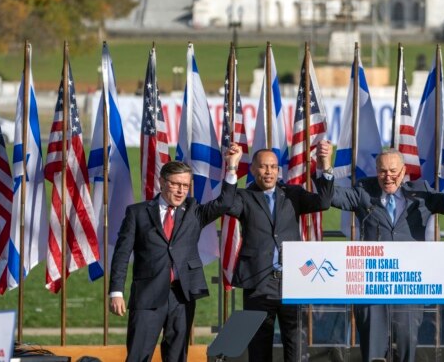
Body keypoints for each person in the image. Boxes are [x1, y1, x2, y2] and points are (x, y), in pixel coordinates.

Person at [109, 143, 242, 362]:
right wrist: (116, 292)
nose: (181, 190)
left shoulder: (194, 211)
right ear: (162, 182)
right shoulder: (138, 213)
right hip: (147, 296)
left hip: (182, 296)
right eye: (176, 184)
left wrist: (232, 167)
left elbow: (225, 202)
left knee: (176, 356)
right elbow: (122, 254)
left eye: (185, 186)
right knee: (138, 356)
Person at [329, 148, 444, 362]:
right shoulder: (364, 190)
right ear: (376, 171)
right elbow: (333, 196)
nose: (387, 176)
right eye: (382, 171)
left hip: (409, 288)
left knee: (406, 348)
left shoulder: (422, 192)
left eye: (393, 171)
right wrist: (325, 169)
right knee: (373, 352)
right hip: (371, 287)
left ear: (403, 172)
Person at [228, 140, 334, 362]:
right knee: (259, 350)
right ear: (254, 169)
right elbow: (226, 204)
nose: (269, 172)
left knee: (295, 347)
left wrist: (324, 165)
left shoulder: (292, 193)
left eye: (273, 167)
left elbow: (324, 202)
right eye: (264, 166)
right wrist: (231, 168)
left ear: (279, 170)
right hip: (258, 284)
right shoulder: (243, 197)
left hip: (292, 282)